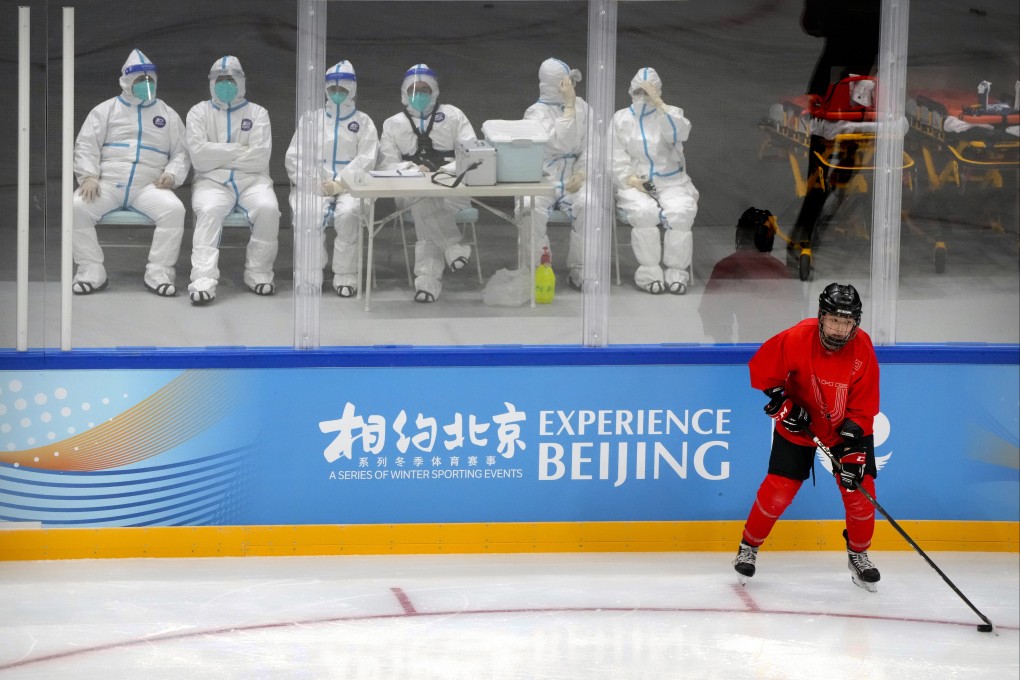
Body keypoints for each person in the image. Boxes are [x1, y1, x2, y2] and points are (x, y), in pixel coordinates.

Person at [732, 282, 882, 592]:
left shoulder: (863, 348)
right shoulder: (797, 337)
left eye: (847, 322)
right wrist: (784, 405)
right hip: (800, 427)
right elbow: (763, 373)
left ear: (856, 322)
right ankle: (749, 546)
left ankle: (859, 554)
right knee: (778, 491)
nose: (840, 329)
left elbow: (865, 405)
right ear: (822, 316)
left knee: (861, 494)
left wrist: (853, 444)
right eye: (834, 320)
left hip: (846, 431)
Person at [71, 49, 191, 296]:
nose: (145, 85)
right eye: (139, 81)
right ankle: (91, 271)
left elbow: (182, 151)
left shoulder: (166, 114)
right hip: (108, 184)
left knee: (174, 210)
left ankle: (159, 273)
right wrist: (89, 176)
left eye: (149, 80)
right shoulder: (105, 111)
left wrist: (172, 174)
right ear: (126, 81)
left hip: (148, 186)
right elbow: (86, 145)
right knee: (77, 207)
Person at [185, 55, 280, 305]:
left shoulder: (258, 113)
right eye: (220, 79)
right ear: (211, 82)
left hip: (253, 181)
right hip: (211, 182)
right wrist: (239, 149)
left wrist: (217, 152)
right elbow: (199, 158)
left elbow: (259, 158)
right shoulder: (198, 112)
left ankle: (258, 272)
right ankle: (202, 280)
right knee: (208, 210)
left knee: (268, 209)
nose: (225, 84)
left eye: (230, 79)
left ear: (241, 81)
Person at [378, 64, 476, 303]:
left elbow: (472, 153)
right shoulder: (392, 124)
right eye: (413, 89)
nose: (419, 94)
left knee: (425, 206)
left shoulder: (454, 116)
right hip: (408, 189)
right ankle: (453, 246)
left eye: (424, 89)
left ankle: (427, 284)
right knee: (423, 198)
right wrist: (411, 170)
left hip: (452, 185)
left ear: (434, 90)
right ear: (404, 92)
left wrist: (444, 170)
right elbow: (385, 165)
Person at [285, 60, 379, 298]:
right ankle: (309, 274)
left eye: (343, 89)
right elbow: (295, 157)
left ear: (353, 89)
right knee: (309, 215)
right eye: (332, 89)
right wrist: (313, 183)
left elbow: (366, 159)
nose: (337, 94)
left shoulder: (364, 122)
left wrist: (340, 184)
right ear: (326, 89)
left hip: (351, 186)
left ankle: (345, 275)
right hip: (315, 185)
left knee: (349, 215)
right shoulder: (310, 119)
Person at [612, 68, 699, 295]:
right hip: (636, 183)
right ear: (631, 90)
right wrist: (629, 179)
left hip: (671, 181)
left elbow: (681, 132)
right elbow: (614, 156)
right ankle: (649, 273)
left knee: (681, 213)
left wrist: (660, 105)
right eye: (639, 91)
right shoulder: (621, 119)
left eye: (648, 91)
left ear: (657, 91)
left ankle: (677, 273)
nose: (643, 96)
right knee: (643, 212)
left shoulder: (670, 114)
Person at [519, 58, 589, 290]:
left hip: (574, 178)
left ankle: (581, 270)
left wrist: (582, 172)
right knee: (529, 209)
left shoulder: (583, 108)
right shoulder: (535, 113)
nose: (572, 87)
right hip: (544, 177)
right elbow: (560, 143)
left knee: (591, 206)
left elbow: (593, 145)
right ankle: (539, 269)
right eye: (566, 82)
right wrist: (569, 108)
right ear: (555, 84)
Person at [698, 207, 796, 343]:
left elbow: (711, 311)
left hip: (749, 349)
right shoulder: (780, 270)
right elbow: (793, 318)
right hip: (778, 349)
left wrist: (724, 343)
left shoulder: (728, 266)